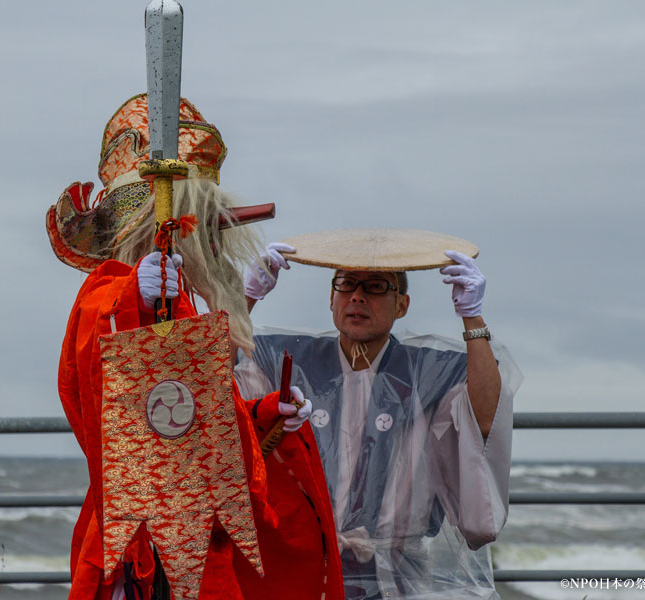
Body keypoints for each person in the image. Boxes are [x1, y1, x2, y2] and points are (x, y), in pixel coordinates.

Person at [47, 94, 343, 600]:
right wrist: (131, 300)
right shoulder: (109, 292)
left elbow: (189, 424)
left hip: (200, 544)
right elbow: (94, 391)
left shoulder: (184, 297)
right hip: (138, 546)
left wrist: (266, 417)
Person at [235, 233, 522, 600]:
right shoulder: (286, 361)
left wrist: (472, 316)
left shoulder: (427, 372)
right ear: (331, 298)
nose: (357, 296)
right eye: (345, 284)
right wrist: (247, 295)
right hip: (302, 566)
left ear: (401, 305)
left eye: (375, 287)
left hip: (398, 573)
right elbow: (213, 382)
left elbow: (485, 418)